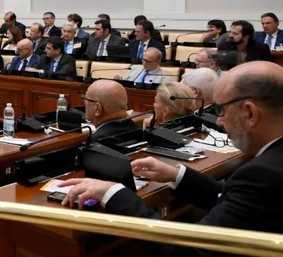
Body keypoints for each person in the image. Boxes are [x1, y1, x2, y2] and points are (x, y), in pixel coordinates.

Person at [58, 62, 283, 255]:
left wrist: (114, 193)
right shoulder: (266, 169)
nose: (220, 121)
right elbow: (228, 197)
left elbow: (188, 253)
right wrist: (177, 175)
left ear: (250, 113)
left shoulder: (262, 176)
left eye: (222, 111)